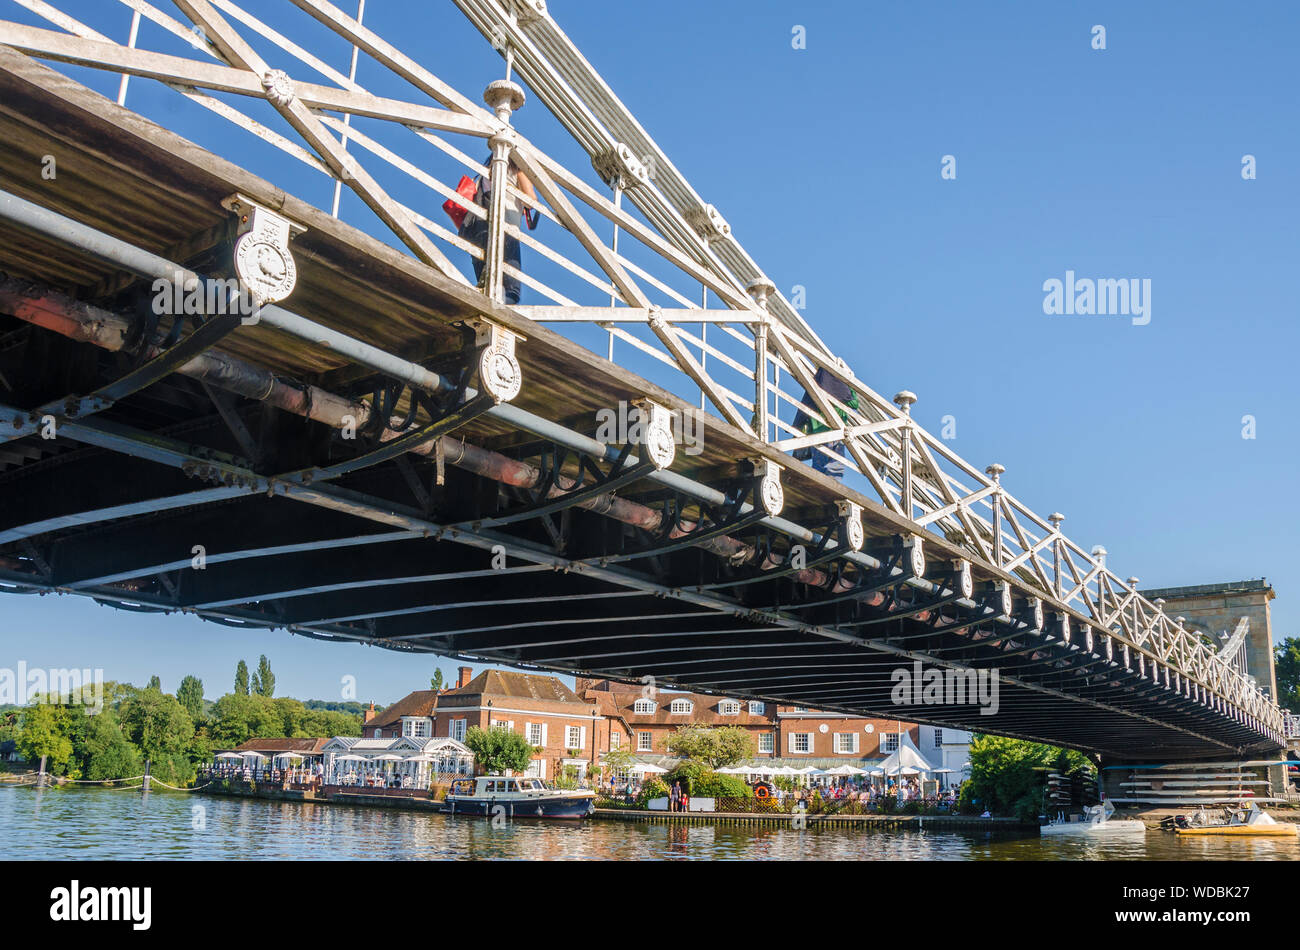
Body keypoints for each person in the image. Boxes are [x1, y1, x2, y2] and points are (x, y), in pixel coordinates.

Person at [460, 153, 539, 306]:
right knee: (511, 290)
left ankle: (485, 305)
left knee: (485, 281)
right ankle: (499, 309)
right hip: (505, 226)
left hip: (479, 228)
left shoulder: (488, 168)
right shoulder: (518, 168)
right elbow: (530, 201)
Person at [791, 365, 859, 479]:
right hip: (834, 433)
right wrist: (850, 385)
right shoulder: (841, 391)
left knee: (819, 464)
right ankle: (830, 484)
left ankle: (817, 482)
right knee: (835, 465)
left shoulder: (816, 391)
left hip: (817, 433)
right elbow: (854, 403)